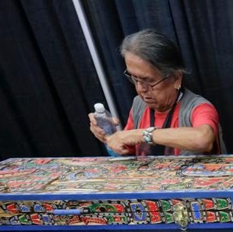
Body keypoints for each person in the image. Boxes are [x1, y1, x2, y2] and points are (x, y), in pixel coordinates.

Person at [88, 29, 223, 156]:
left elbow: (203, 139)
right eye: (135, 79)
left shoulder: (198, 108)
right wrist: (109, 135)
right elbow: (126, 152)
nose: (141, 89)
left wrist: (142, 135)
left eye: (148, 81)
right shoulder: (139, 104)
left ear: (176, 78)